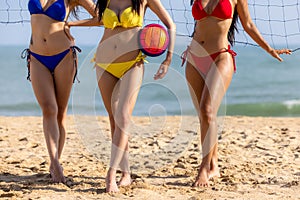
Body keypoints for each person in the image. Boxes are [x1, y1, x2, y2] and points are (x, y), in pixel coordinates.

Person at [181, 0, 291, 187]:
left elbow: (248, 25)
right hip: (194, 56)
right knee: (205, 116)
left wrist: (269, 49)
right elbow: (200, 25)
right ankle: (214, 166)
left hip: (221, 56)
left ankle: (204, 168)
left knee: (207, 111)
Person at [94, 0, 176, 192]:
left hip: (133, 63)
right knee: (114, 120)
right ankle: (126, 172)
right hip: (104, 63)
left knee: (123, 118)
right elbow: (95, 20)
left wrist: (168, 58)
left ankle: (111, 174)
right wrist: (69, 24)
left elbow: (170, 24)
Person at [21, 0, 98, 183]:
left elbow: (100, 17)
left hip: (63, 55)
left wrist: (71, 23)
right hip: (37, 56)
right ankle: (55, 163)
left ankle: (57, 159)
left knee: (60, 112)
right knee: (49, 109)